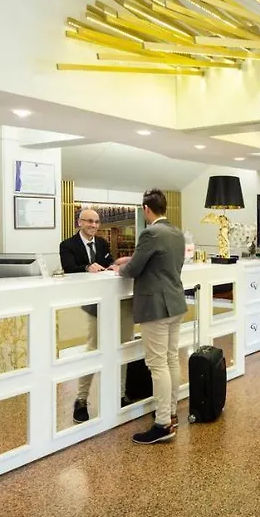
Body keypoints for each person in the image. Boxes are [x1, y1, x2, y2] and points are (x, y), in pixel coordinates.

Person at [110, 189, 186, 445]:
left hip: (155, 306)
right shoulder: (176, 232)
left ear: (146, 209)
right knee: (171, 359)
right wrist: (131, 259)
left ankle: (162, 424)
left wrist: (119, 268)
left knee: (157, 364)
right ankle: (171, 412)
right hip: (175, 303)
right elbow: (159, 262)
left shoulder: (150, 233)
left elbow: (133, 270)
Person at [59, 208, 114, 423]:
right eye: (89, 221)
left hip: (110, 301)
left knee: (120, 345)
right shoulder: (67, 245)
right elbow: (69, 269)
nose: (93, 225)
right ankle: (81, 399)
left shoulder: (102, 243)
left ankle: (119, 395)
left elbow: (110, 263)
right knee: (93, 348)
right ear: (79, 222)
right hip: (90, 304)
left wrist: (115, 266)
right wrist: (86, 268)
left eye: (97, 222)